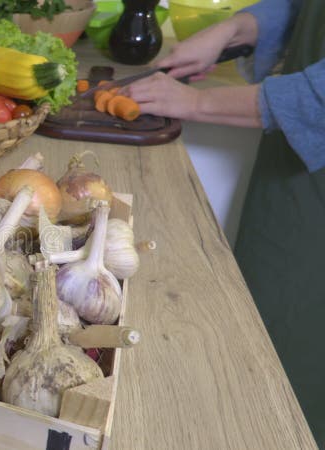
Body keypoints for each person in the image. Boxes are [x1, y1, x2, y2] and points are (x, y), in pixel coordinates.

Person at [121, 0, 324, 445]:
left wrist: (195, 101)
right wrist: (233, 30)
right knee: (254, 339)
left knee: (304, 366)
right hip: (293, 172)